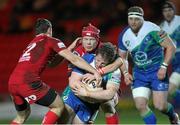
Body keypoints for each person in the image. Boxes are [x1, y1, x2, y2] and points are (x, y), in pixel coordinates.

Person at [8, 18, 101, 124]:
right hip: (28, 82)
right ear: (49, 29)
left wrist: (71, 46)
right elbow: (74, 59)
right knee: (58, 106)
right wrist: (95, 72)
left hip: (12, 83)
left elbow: (52, 64)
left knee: (22, 115)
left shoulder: (32, 44)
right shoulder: (51, 40)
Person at [56, 23, 132, 124]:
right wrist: (70, 47)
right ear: (81, 39)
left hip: (103, 86)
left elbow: (119, 61)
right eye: (86, 39)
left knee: (107, 104)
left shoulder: (103, 49)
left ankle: (92, 113)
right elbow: (60, 64)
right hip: (80, 84)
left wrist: (125, 73)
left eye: (91, 40)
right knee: (63, 116)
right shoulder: (78, 51)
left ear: (97, 40)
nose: (88, 43)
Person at [118, 6, 179, 124]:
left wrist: (164, 66)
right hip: (139, 74)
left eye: (136, 19)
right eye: (130, 18)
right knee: (141, 105)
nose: (133, 22)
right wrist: (125, 73)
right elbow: (122, 57)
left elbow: (171, 46)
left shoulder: (153, 29)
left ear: (142, 19)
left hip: (157, 71)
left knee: (160, 106)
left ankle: (173, 116)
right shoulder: (124, 35)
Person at [60, 42, 121, 124]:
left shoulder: (115, 71)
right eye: (98, 60)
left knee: (108, 104)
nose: (99, 64)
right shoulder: (86, 59)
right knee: (62, 119)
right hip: (74, 95)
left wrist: (88, 93)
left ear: (110, 63)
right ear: (95, 55)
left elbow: (110, 93)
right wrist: (85, 91)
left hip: (92, 101)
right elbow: (73, 82)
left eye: (103, 63)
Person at [160, 1, 180, 109]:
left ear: (174, 11)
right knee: (172, 90)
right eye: (165, 11)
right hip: (173, 61)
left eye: (170, 10)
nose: (167, 13)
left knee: (171, 87)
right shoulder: (161, 27)